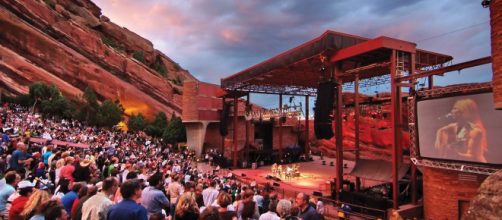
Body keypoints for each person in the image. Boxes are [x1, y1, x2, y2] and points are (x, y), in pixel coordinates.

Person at [434, 99, 488, 163]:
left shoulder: (475, 131)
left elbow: (473, 157)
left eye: (455, 108)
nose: (452, 111)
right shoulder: (453, 126)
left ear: (465, 112)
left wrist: (455, 154)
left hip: (477, 167)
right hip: (460, 164)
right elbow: (441, 132)